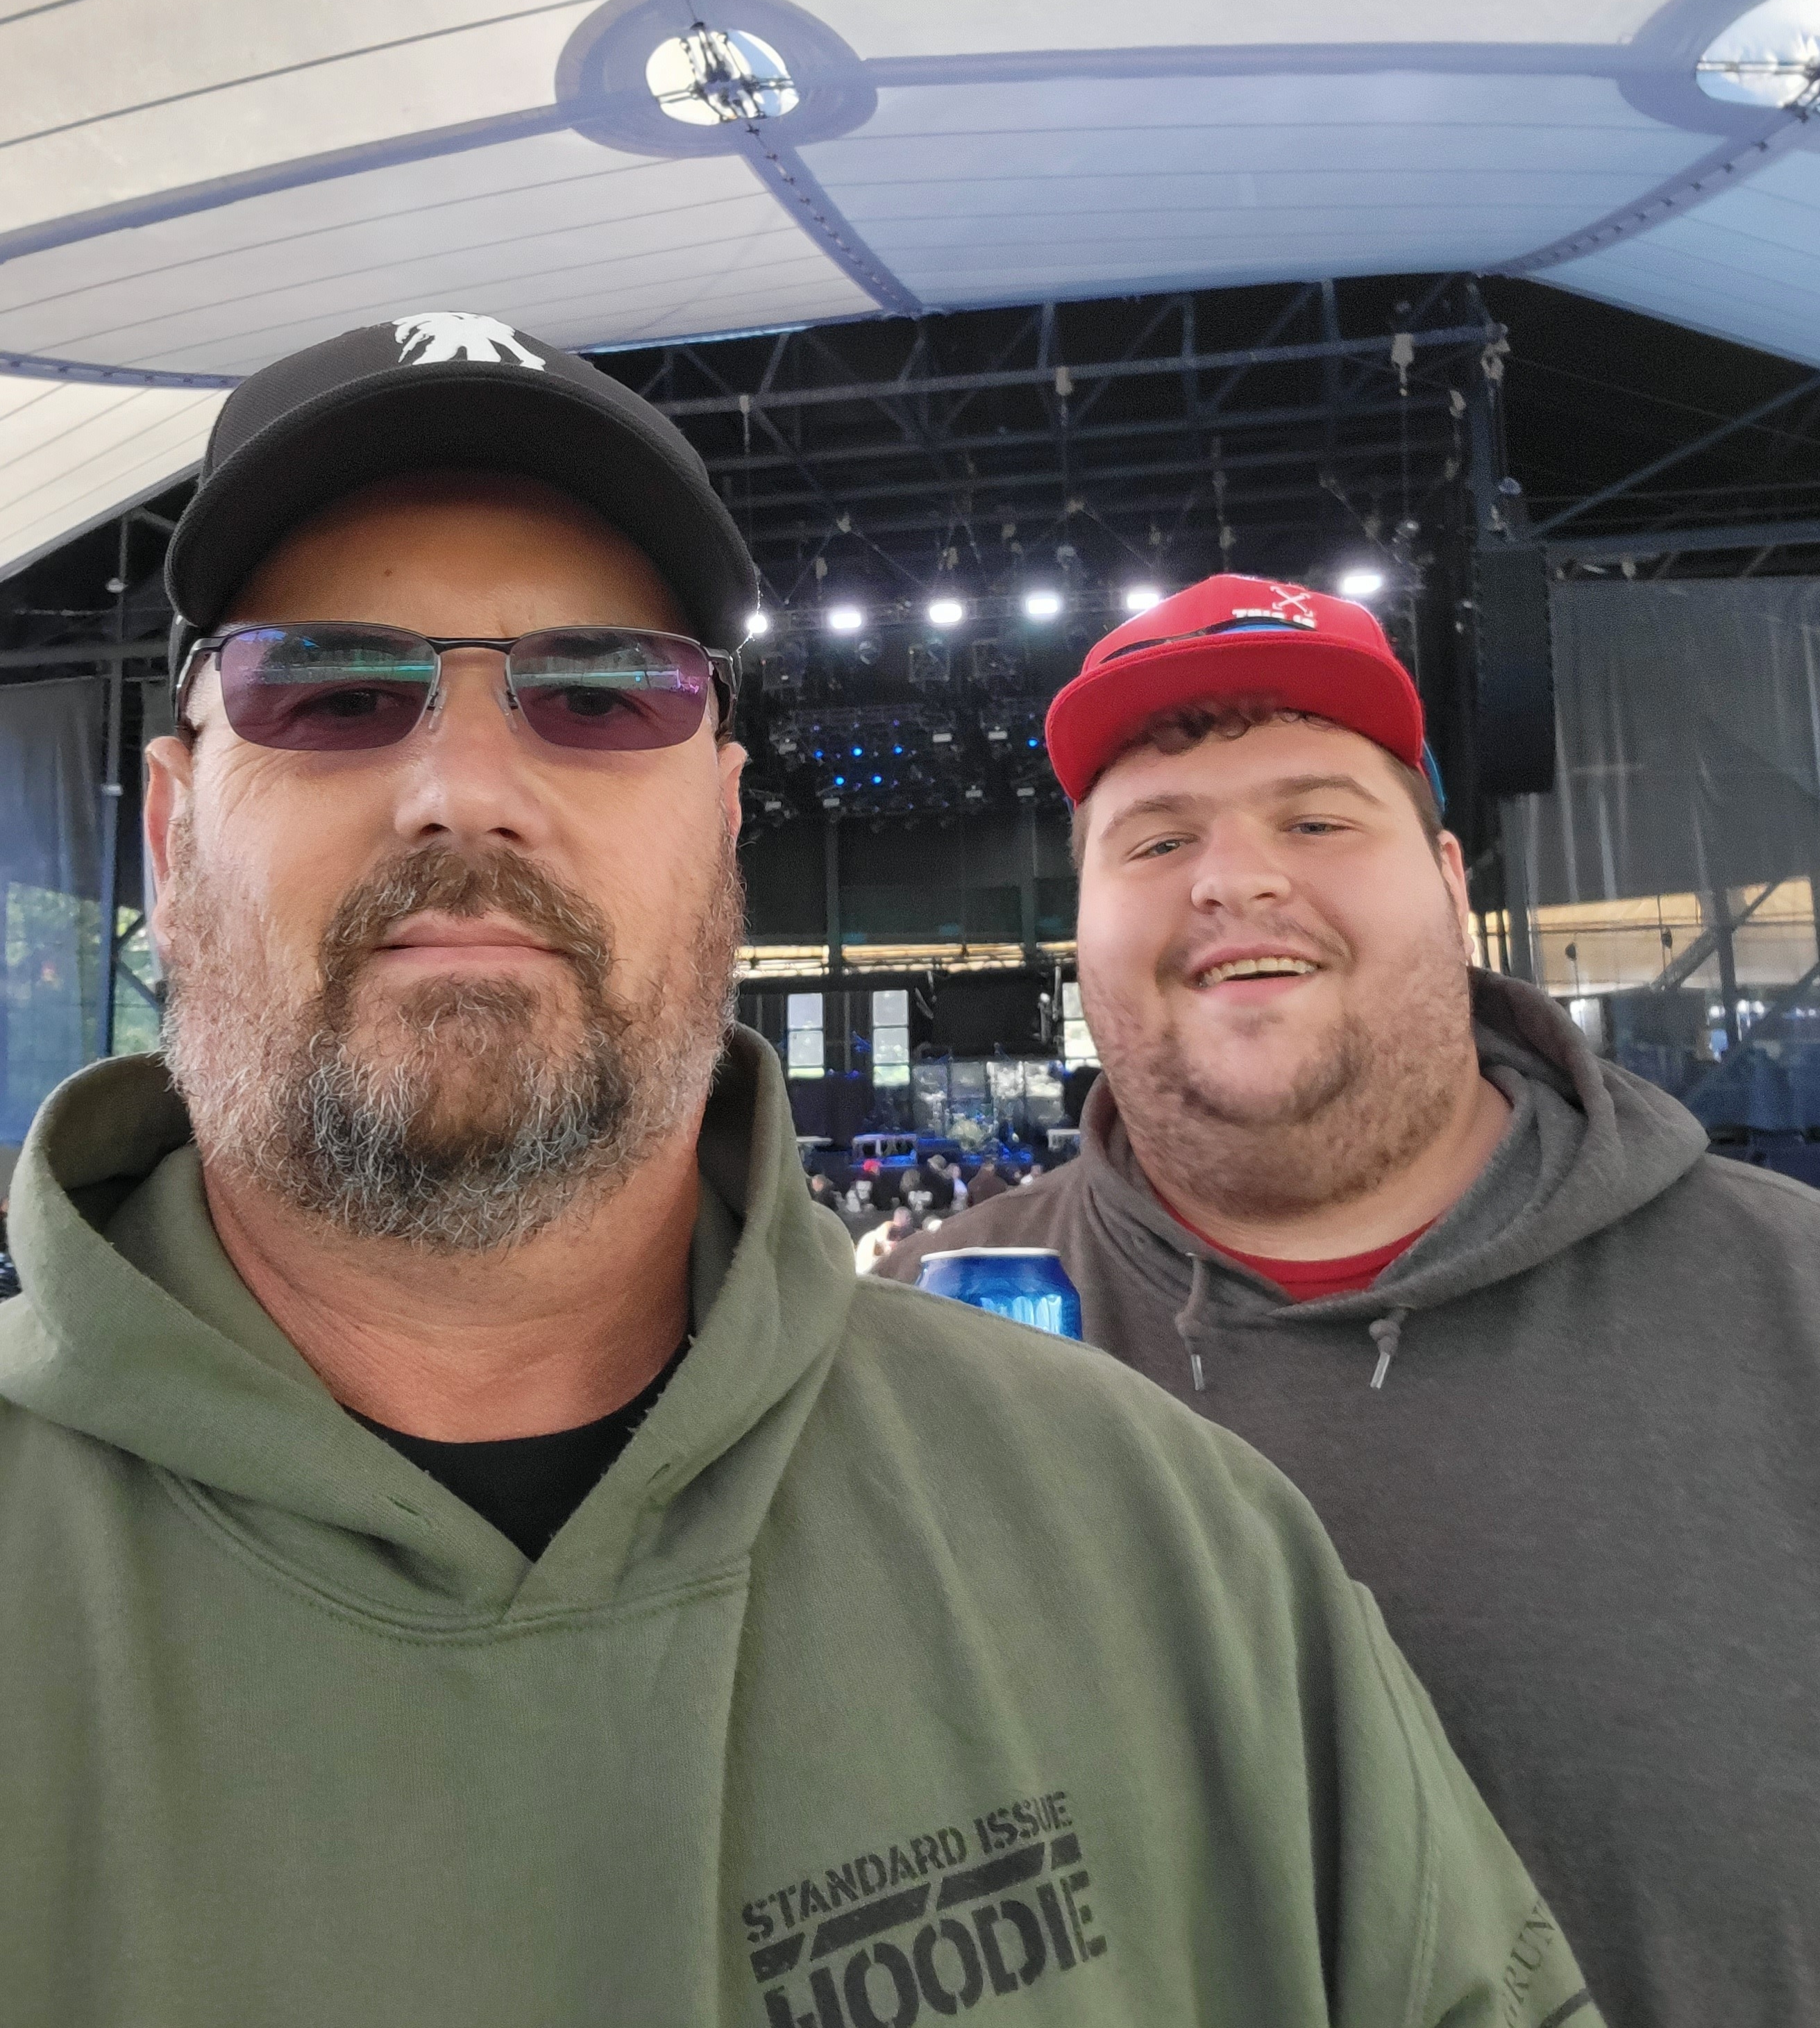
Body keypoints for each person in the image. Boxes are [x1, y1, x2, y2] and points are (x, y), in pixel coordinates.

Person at [0, 342, 1594, 2028]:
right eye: (330, 693)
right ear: (172, 836)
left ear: (724, 827)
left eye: (600, 694)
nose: (463, 791)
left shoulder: (1181, 1547)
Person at [882, 571, 1820, 2028]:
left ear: (1449, 878)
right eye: (1158, 840)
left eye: (1314, 820)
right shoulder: (911, 1350)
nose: (1234, 879)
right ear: (1082, 922)